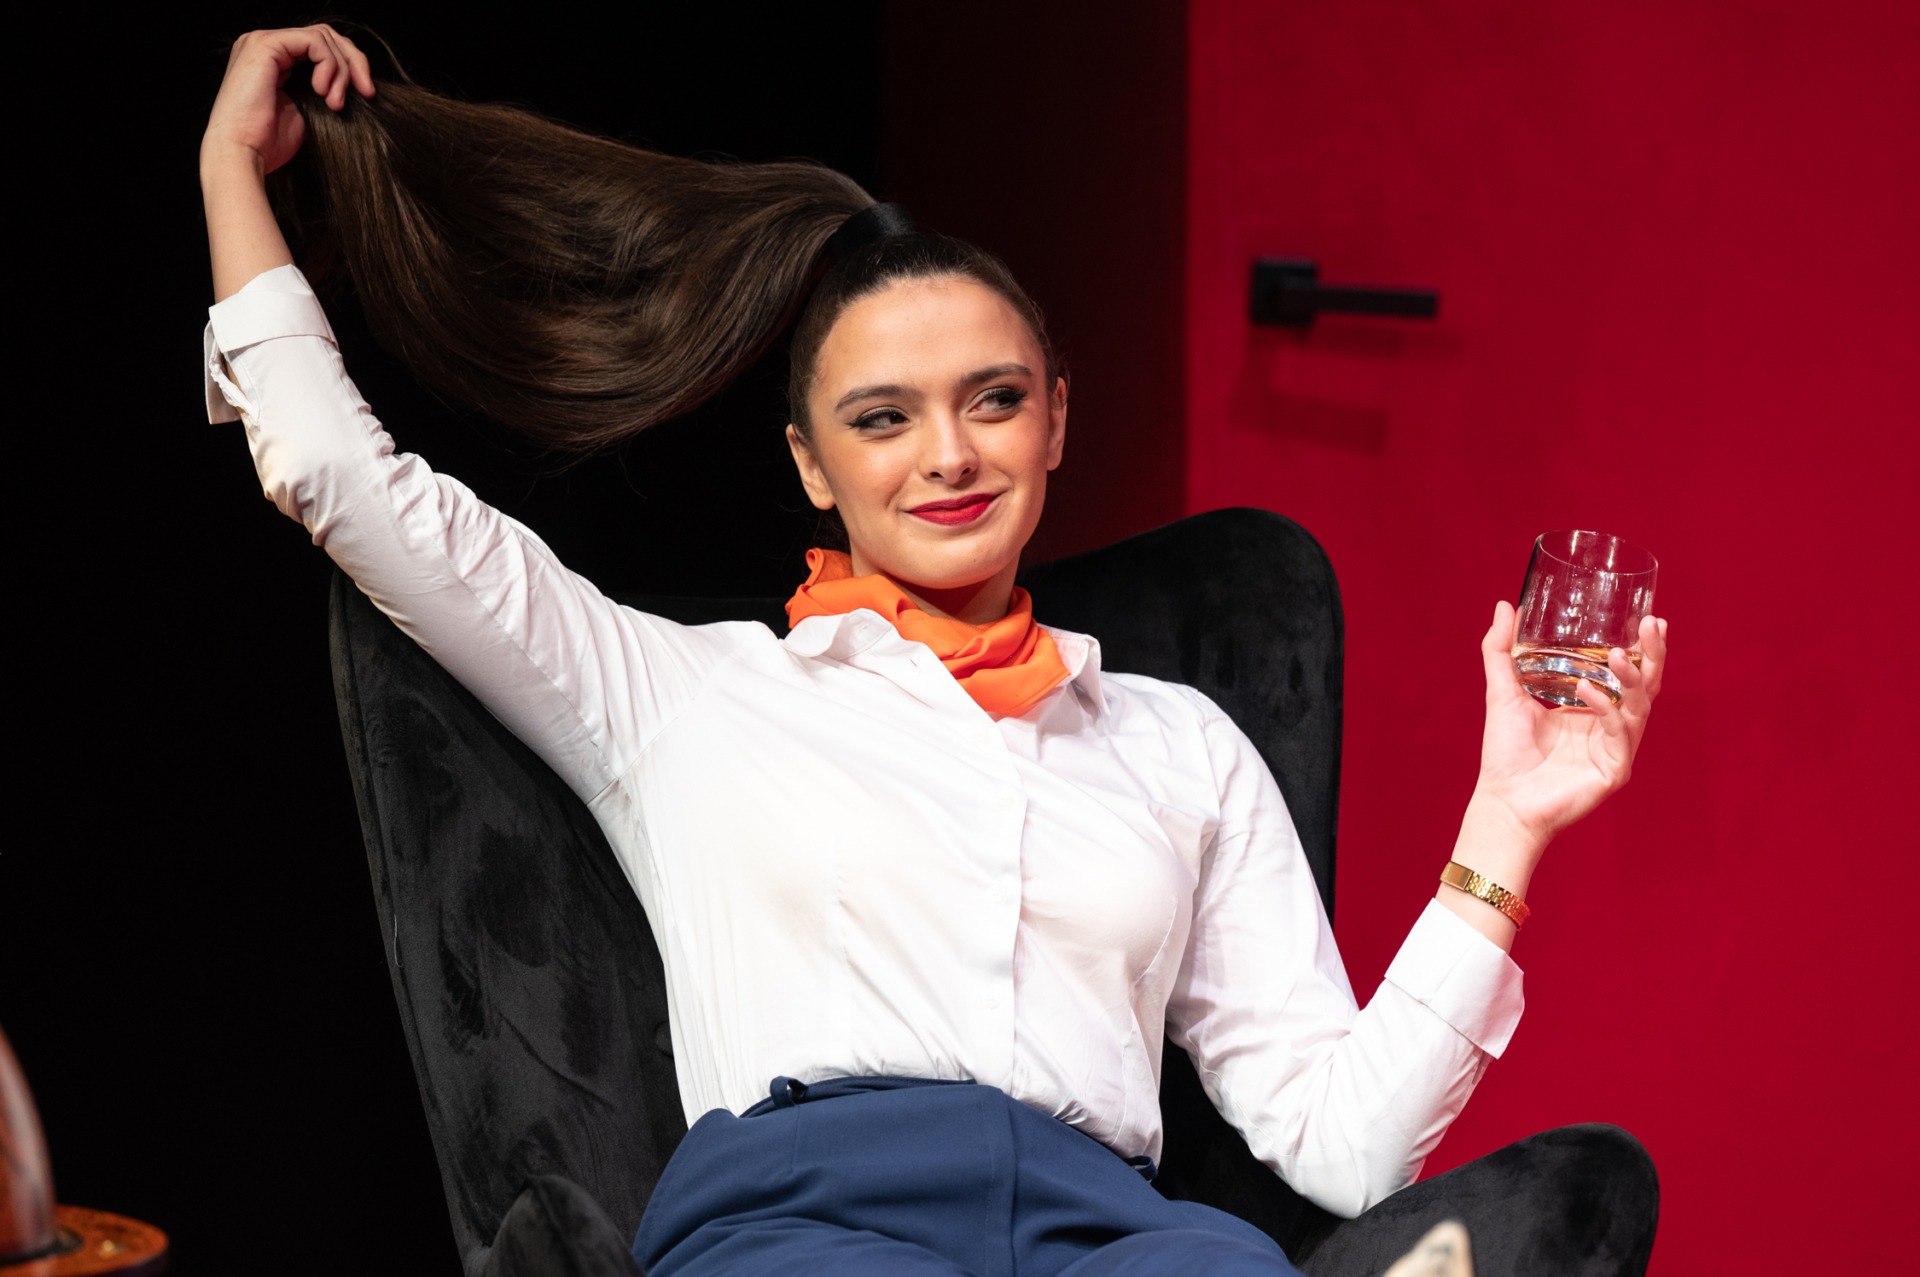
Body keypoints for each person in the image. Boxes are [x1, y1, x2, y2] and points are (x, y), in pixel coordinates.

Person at [201, 26, 1667, 1277]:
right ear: (811, 463)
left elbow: (1342, 1143)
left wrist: (1509, 817)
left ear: (1056, 419)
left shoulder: (1178, 743)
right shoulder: (679, 693)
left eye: (994, 399)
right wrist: (228, 173)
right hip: (804, 1216)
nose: (950, 455)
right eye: (883, 418)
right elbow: (342, 475)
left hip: (1109, 1230)